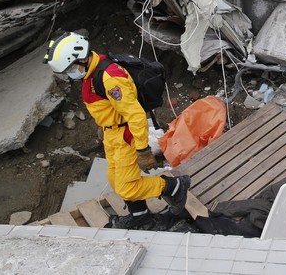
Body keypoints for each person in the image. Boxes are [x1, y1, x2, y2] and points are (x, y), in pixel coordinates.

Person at [44, 32, 190, 226]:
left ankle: (174, 186)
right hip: (111, 133)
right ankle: (140, 216)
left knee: (127, 187)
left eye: (70, 68)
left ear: (81, 58)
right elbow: (105, 105)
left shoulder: (110, 79)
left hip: (125, 135)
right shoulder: (90, 72)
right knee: (115, 179)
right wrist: (102, 125)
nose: (70, 73)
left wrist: (142, 149)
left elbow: (136, 115)